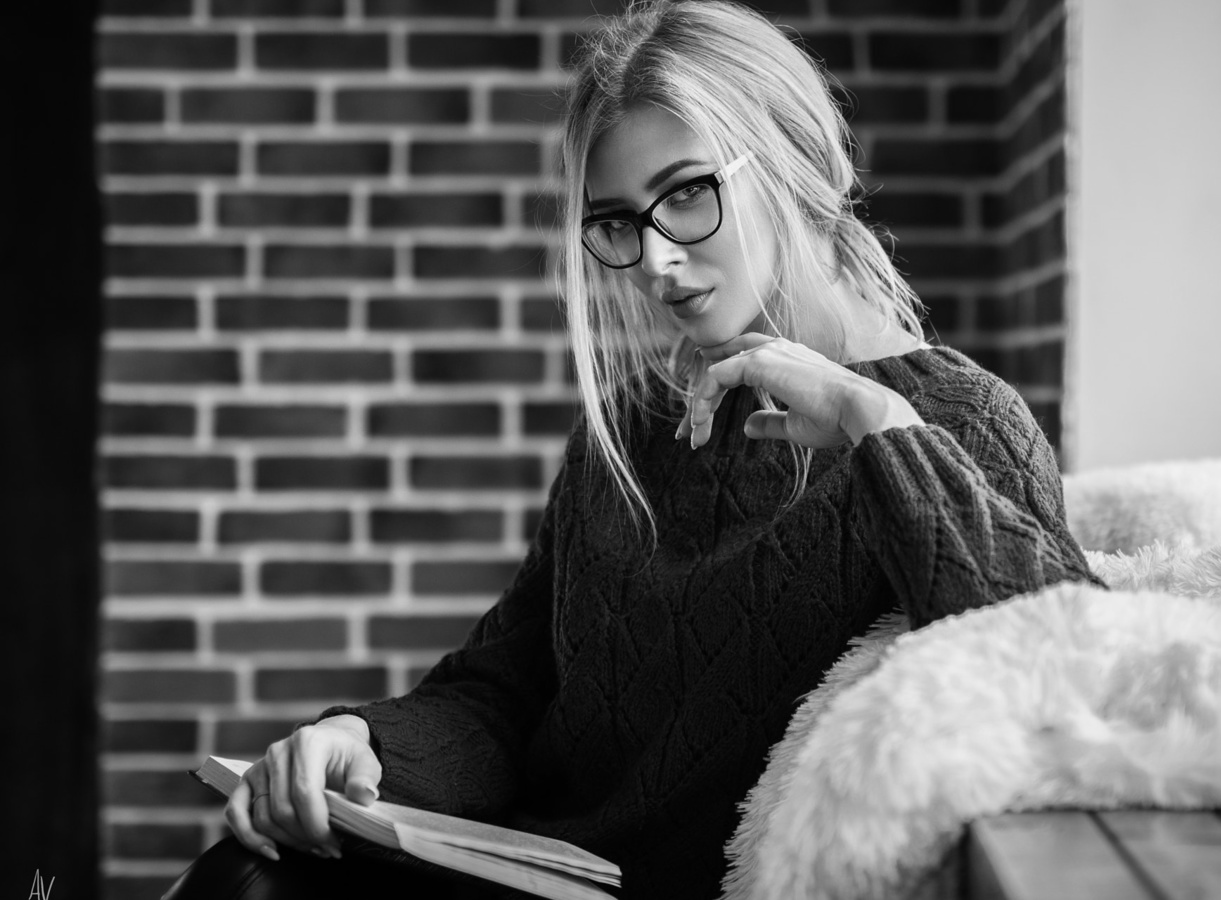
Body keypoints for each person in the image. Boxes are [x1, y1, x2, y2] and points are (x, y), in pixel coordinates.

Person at [161, 2, 1101, 898]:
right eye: (618, 222)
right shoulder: (634, 427)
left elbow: (1066, 673)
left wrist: (875, 425)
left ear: (791, 165)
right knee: (243, 874)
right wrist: (366, 745)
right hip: (518, 872)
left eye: (686, 196)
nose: (652, 262)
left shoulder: (954, 420)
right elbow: (507, 691)